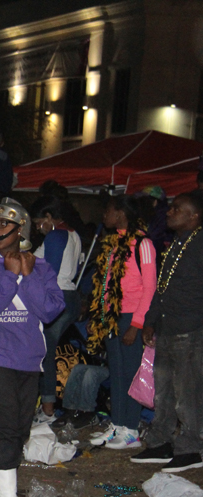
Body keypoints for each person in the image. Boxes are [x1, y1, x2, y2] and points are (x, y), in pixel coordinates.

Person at [0, 199, 64, 497]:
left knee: (20, 429)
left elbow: (50, 310)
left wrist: (26, 276)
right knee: (6, 424)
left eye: (2, 223)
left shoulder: (42, 266)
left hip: (29, 355)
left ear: (19, 228)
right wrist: (9, 278)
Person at [132, 191, 203, 472]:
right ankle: (162, 442)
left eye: (176, 209)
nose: (169, 212)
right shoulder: (177, 243)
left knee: (188, 393)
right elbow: (162, 289)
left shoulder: (199, 244)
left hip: (190, 329)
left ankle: (192, 447)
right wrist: (151, 320)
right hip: (167, 326)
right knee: (163, 391)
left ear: (194, 216)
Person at [86, 195, 156, 450]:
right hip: (113, 317)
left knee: (130, 373)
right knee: (116, 372)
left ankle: (131, 429)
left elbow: (149, 288)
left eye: (108, 210)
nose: (104, 215)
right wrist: (100, 318)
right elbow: (105, 285)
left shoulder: (143, 244)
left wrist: (137, 324)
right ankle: (117, 423)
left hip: (131, 316)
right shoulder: (113, 243)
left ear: (121, 213)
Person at [30, 197, 82, 424]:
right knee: (47, 351)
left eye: (39, 222)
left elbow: (48, 272)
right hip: (69, 296)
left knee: (44, 352)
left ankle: (48, 407)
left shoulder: (55, 236)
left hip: (56, 296)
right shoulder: (73, 234)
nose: (37, 228)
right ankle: (48, 404)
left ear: (49, 218)